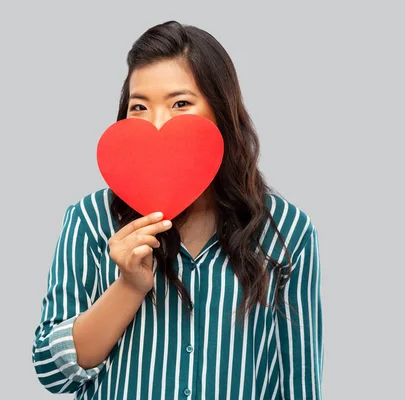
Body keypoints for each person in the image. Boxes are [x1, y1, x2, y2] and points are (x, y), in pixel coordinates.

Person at [31, 20, 323, 399]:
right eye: (139, 106)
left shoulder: (287, 229)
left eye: (180, 103)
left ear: (220, 109)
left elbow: (299, 382)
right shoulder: (89, 219)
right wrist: (128, 287)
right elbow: (52, 372)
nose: (157, 124)